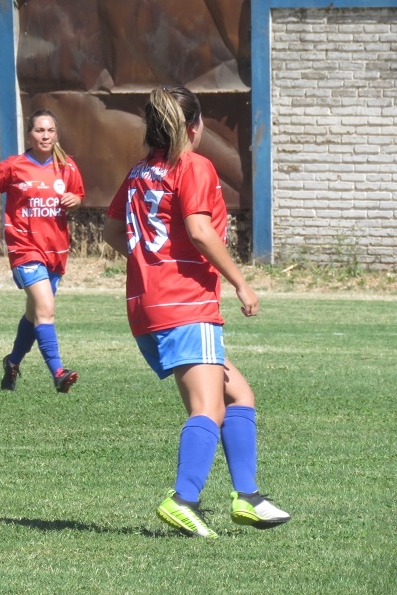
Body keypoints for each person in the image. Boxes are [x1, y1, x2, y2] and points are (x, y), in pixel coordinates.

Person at [102, 86, 290, 538]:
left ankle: (248, 497)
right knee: (208, 407)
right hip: (186, 303)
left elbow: (112, 232)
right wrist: (241, 281)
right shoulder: (194, 166)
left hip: (147, 305)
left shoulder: (139, 173)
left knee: (238, 395)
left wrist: (152, 263)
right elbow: (200, 231)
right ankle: (183, 499)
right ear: (194, 126)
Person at [0, 108, 84, 393]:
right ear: (29, 134)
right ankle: (58, 372)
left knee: (33, 314)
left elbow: (77, 196)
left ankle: (12, 363)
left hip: (56, 250)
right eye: (39, 130)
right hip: (24, 248)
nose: (45, 135)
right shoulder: (14, 166)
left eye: (50, 130)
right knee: (46, 309)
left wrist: (75, 200)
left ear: (56, 134)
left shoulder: (67, 166)